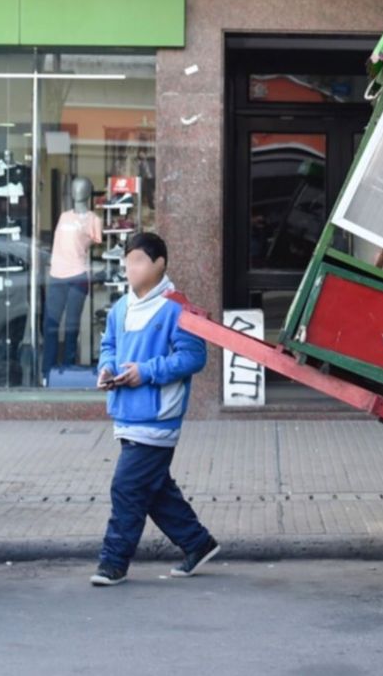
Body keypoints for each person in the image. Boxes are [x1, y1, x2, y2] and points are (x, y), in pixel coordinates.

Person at [90, 232, 218, 586]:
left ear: (160, 263)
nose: (129, 268)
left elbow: (194, 357)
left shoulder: (178, 308)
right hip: (126, 413)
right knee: (154, 490)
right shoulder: (121, 307)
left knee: (127, 488)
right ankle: (198, 543)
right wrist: (107, 370)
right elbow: (109, 346)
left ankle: (113, 562)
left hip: (158, 418)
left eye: (138, 261)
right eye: (127, 261)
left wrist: (145, 372)